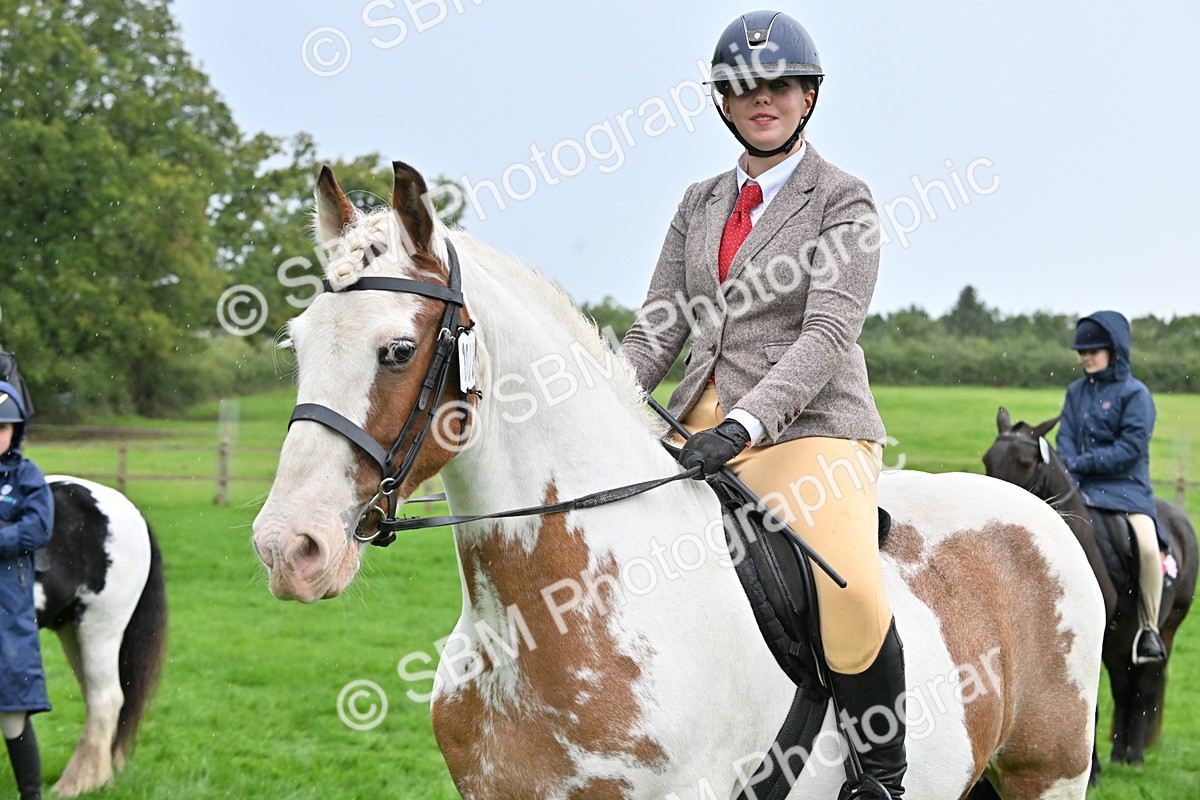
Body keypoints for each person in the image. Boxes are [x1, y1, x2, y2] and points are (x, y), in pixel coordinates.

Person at [619, 11, 903, 799]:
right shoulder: (699, 201)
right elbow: (661, 322)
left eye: (778, 84)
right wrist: (610, 396)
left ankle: (880, 775)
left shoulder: (843, 199)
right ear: (724, 103)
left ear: (807, 96)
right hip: (696, 425)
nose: (760, 98)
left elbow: (826, 334)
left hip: (810, 428)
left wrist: (747, 422)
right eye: (743, 88)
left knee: (848, 582)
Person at [1057, 312, 1167, 665]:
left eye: (1093, 350)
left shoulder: (1136, 394)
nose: (1085, 357)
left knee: (1149, 550)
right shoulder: (1076, 392)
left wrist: (1081, 463)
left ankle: (1148, 629)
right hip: (1082, 486)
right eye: (1082, 351)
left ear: (1114, 350)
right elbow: (1065, 438)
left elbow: (1130, 449)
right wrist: (1070, 463)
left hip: (1127, 490)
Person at [0, 381, 54, 800]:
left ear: (15, 431)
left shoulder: (26, 476)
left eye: (4, 427)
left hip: (6, 611)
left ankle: (30, 795)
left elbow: (38, 527)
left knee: (12, 711)